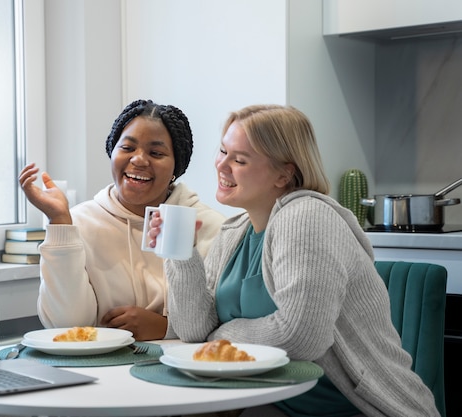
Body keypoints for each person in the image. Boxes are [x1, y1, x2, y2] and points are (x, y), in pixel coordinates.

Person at [148, 104, 439, 416]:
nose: (222, 165)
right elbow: (193, 331)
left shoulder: (306, 217)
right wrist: (181, 253)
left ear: (284, 173)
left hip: (347, 409)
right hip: (269, 399)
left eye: (240, 159)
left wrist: (221, 335)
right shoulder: (234, 232)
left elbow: (300, 338)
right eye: (223, 151)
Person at [19, 99, 225, 341]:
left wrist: (165, 328)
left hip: (184, 370)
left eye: (156, 153)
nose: (138, 160)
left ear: (176, 168)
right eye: (127, 148)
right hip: (102, 372)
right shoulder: (79, 222)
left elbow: (220, 321)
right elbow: (66, 325)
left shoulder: (211, 227)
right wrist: (60, 222)